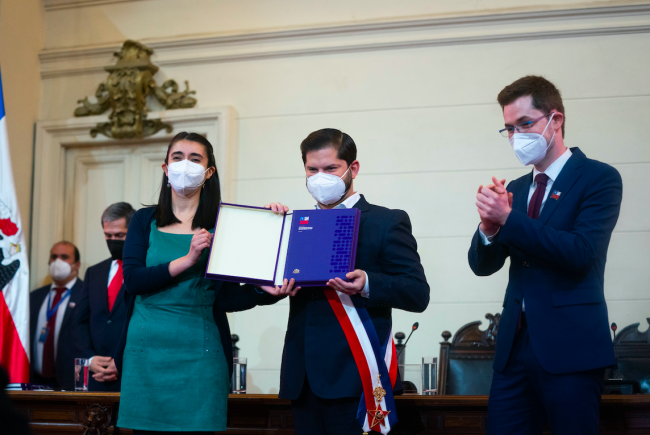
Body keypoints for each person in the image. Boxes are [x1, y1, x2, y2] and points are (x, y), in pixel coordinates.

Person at [218, 128, 430, 435]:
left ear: (352, 168)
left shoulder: (386, 221)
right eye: (312, 169)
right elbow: (250, 290)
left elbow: (417, 293)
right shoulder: (291, 224)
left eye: (330, 168)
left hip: (357, 377)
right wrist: (269, 230)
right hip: (302, 379)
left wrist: (368, 282)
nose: (321, 177)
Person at [469, 76, 622, 434]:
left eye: (525, 124)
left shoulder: (598, 178)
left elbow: (580, 253)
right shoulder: (516, 188)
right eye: (508, 128)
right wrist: (489, 228)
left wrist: (508, 219)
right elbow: (481, 266)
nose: (516, 136)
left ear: (556, 120)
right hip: (514, 347)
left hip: (571, 347)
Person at [114, 132, 294, 434]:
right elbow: (132, 280)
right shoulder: (144, 220)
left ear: (209, 172)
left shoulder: (224, 225)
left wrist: (266, 291)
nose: (185, 165)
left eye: (195, 159)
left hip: (200, 354)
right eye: (177, 157)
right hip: (145, 353)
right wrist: (188, 258)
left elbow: (224, 299)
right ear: (165, 167)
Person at [73, 202, 135, 392]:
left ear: (132, 233)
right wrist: (90, 359)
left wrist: (125, 360)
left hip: (132, 375)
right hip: (96, 377)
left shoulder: (146, 271)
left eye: (120, 236)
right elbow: (79, 322)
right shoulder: (94, 272)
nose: (113, 240)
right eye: (108, 235)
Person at [30, 241, 84, 390]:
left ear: (77, 264)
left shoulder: (88, 295)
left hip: (70, 383)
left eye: (64, 257)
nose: (57, 262)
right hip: (35, 382)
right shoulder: (34, 297)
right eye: (54, 257)